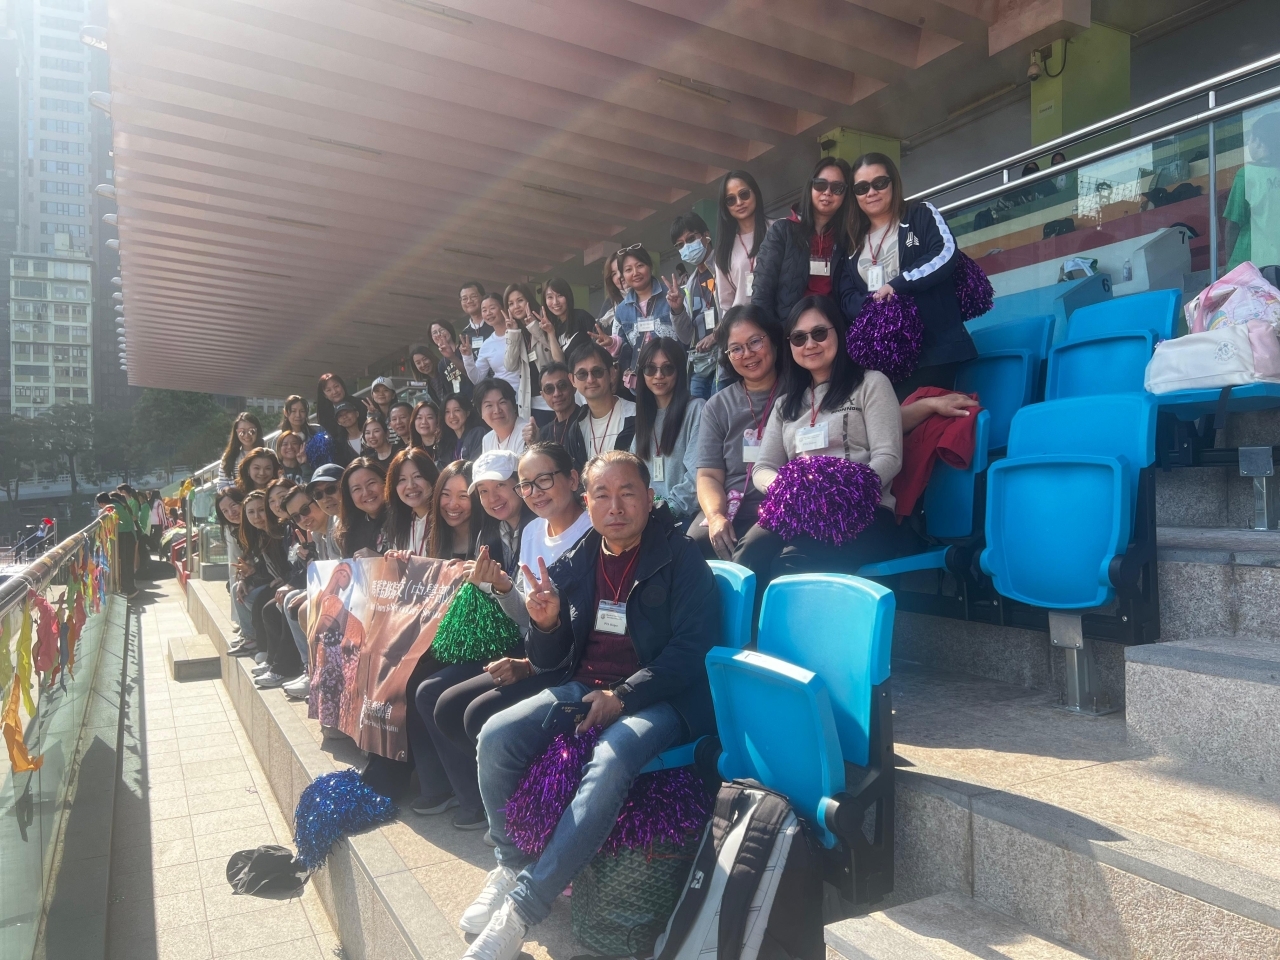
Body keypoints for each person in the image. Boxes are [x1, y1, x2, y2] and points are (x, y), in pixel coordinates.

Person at [460, 451, 720, 960]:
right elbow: (549, 659)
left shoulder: (680, 556)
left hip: (660, 697)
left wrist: (624, 696)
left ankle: (522, 910)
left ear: (650, 497)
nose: (615, 506)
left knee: (612, 757)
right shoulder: (578, 559)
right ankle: (511, 862)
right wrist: (547, 624)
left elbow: (692, 650)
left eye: (627, 493)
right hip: (585, 686)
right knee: (496, 734)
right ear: (587, 501)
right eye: (602, 494)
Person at [432, 443, 593, 761]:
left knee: (475, 714)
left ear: (573, 479)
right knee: (446, 708)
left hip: (570, 664)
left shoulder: (593, 529)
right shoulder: (533, 530)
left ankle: (527, 782)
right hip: (537, 651)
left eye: (544, 480)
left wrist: (530, 666)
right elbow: (526, 617)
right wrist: (503, 587)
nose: (535, 492)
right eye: (527, 484)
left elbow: (584, 628)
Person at [736, 296, 903, 585]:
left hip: (862, 511)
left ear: (838, 331)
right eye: (799, 338)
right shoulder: (785, 404)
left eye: (819, 333)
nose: (810, 344)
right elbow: (762, 467)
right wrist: (792, 491)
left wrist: (840, 492)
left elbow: (889, 457)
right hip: (798, 509)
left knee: (792, 565)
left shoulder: (871, 383)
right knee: (748, 556)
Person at [405, 450, 532, 826]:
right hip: (499, 637)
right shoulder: (492, 531)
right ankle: (458, 794)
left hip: (525, 647)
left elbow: (525, 611)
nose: (493, 498)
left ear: (520, 486)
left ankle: (478, 800)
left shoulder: (535, 527)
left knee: (433, 692)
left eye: (501, 486)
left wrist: (495, 585)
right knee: (416, 681)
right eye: (484, 491)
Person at [835, 152, 977, 397]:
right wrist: (874, 302)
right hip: (884, 359)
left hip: (936, 350)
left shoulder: (920, 213)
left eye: (880, 183)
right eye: (862, 188)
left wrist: (897, 285)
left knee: (922, 418)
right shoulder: (850, 241)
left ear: (893, 182)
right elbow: (847, 297)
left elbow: (944, 251)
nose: (871, 192)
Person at [693, 305, 783, 562]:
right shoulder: (718, 406)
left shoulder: (798, 392)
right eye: (736, 349)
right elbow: (708, 475)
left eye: (755, 342)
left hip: (778, 505)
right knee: (695, 545)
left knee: (753, 552)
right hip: (730, 505)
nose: (748, 354)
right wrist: (715, 516)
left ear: (773, 340)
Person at [752, 156, 851, 325]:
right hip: (789, 332)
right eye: (820, 185)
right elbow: (762, 292)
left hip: (832, 332)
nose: (827, 192)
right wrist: (769, 334)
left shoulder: (848, 238)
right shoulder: (782, 231)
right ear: (810, 187)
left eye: (837, 188)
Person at [632, 338, 703, 524]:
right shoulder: (644, 416)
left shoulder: (696, 409)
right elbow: (632, 473)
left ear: (679, 371)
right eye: (650, 368)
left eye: (667, 368)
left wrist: (668, 511)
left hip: (685, 518)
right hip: (647, 518)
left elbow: (698, 476)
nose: (658, 375)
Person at [229, 490, 289, 660]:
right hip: (271, 580)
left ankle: (264, 647)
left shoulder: (279, 532)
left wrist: (284, 578)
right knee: (237, 589)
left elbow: (284, 565)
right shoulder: (256, 534)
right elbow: (260, 566)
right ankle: (250, 638)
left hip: (284, 582)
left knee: (255, 598)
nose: (257, 517)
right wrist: (245, 578)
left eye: (261, 510)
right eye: (251, 512)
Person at [668, 211, 721, 399]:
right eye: (680, 245)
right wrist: (677, 310)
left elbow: (739, 310)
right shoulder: (690, 284)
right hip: (700, 362)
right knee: (697, 410)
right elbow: (685, 337)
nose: (687, 247)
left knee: (719, 409)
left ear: (706, 235)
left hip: (726, 356)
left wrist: (716, 335)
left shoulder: (725, 269)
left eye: (691, 239)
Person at [560, 343, 635, 472]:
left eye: (597, 372)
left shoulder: (635, 416)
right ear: (572, 380)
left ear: (612, 373)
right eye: (582, 374)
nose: (590, 379)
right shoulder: (577, 428)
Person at [611, 244, 675, 384]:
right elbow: (621, 346)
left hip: (672, 374)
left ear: (649, 266)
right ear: (623, 275)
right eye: (628, 269)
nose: (635, 273)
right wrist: (611, 343)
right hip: (641, 380)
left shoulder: (672, 295)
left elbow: (687, 334)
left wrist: (679, 309)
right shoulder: (621, 310)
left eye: (640, 265)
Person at [1225, 110, 1280, 271]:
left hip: (1252, 266)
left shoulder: (1247, 175)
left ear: (1258, 141)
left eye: (1249, 138)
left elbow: (1233, 225)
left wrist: (1229, 265)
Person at [502, 282, 557, 425]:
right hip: (531, 403)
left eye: (520, 300)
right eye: (511, 304)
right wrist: (513, 332)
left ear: (529, 300)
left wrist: (534, 326)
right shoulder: (516, 331)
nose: (516, 306)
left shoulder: (544, 319)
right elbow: (510, 366)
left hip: (555, 397)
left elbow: (555, 353)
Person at [714, 169, 768, 310]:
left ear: (755, 193)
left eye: (744, 194)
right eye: (730, 200)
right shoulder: (724, 250)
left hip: (780, 318)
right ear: (725, 206)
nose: (739, 202)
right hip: (743, 321)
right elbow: (727, 305)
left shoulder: (779, 229)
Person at [383, 447, 440, 555]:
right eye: (402, 479)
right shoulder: (399, 523)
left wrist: (417, 562)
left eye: (417, 476)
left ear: (431, 478)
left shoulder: (445, 520)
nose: (410, 485)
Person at [462, 294, 521, 395]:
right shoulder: (487, 344)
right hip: (503, 397)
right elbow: (477, 378)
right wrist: (467, 357)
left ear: (503, 308)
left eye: (492, 308)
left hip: (527, 394)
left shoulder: (519, 332)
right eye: (484, 310)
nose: (488, 313)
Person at [336, 457, 388, 558]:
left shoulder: (405, 519)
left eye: (371, 483)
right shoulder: (350, 532)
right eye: (357, 489)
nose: (366, 492)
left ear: (385, 481)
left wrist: (378, 560)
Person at [427, 460, 479, 561]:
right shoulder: (435, 538)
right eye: (446, 494)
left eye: (463, 496)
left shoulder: (490, 541)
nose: (452, 505)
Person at [523, 362, 578, 449]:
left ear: (574, 387)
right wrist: (534, 444)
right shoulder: (543, 433)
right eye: (549, 389)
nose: (557, 393)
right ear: (543, 395)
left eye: (562, 385)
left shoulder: (587, 420)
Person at [541, 277, 594, 363]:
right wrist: (550, 332)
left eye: (560, 295)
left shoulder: (581, 316)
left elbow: (600, 345)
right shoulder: (553, 326)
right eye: (550, 297)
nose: (555, 302)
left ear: (568, 296)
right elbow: (559, 361)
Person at [476, 378, 530, 456]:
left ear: (514, 406)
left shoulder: (526, 433)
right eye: (489, 405)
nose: (497, 410)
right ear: (481, 413)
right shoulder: (487, 439)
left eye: (502, 402)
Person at [304, 463, 345, 559]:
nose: (325, 499)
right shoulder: (333, 526)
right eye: (318, 494)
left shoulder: (366, 517)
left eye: (330, 489)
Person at [217, 412, 263, 490]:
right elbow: (222, 485)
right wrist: (232, 493)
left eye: (251, 431)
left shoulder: (266, 454)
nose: (247, 435)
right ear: (236, 433)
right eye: (242, 432)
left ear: (258, 431)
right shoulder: (229, 456)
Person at [429, 324, 474, 404]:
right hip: (459, 405)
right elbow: (448, 390)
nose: (439, 334)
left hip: (474, 399)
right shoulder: (441, 365)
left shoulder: (464, 349)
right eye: (434, 333)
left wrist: (452, 357)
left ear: (449, 330)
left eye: (442, 330)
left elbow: (472, 373)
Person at [443, 394, 486, 464]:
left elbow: (475, 466)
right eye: (447, 412)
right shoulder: (447, 441)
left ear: (467, 412)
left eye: (457, 410)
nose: (452, 416)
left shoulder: (477, 434)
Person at [329, 400, 366, 466]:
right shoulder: (339, 445)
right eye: (340, 415)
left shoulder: (370, 434)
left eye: (347, 412)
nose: (345, 417)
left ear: (357, 414)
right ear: (338, 422)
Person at [411, 399, 445, 465]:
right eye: (419, 418)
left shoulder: (447, 447)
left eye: (429, 417)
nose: (424, 422)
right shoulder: (411, 452)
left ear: (437, 420)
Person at [460, 281, 491, 351]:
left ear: (483, 297)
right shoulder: (464, 334)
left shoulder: (495, 324)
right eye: (464, 299)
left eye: (473, 296)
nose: (469, 301)